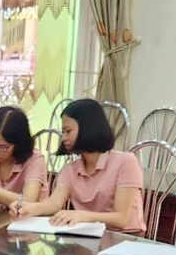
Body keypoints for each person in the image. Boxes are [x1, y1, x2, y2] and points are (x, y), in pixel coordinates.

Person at [9, 99, 145, 232]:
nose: (63, 138)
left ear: (89, 128)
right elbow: (54, 203)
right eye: (63, 132)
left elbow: (121, 219)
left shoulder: (126, 162)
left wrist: (83, 216)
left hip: (125, 236)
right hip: (88, 234)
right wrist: (28, 208)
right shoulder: (70, 169)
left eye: (68, 131)